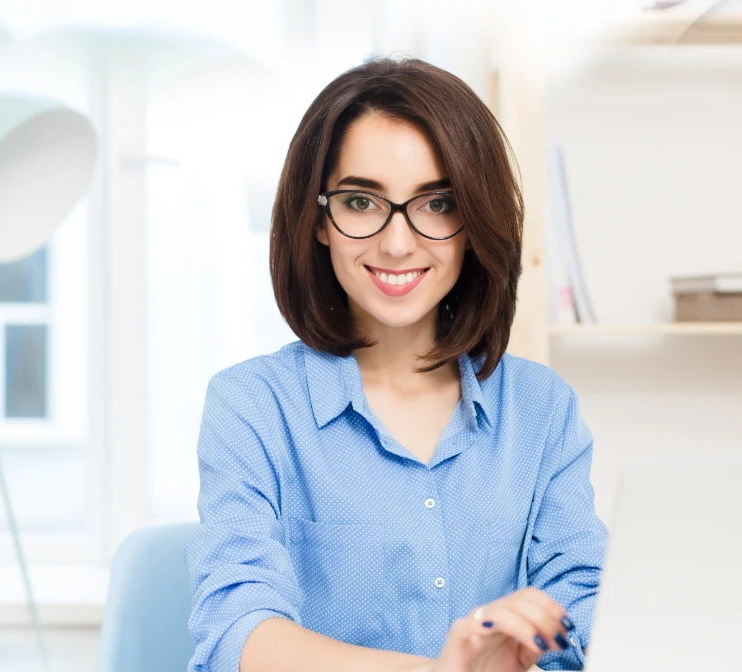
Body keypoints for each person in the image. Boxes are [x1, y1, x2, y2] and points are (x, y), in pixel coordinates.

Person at [184, 55, 608, 672]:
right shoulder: (251, 406)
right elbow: (237, 633)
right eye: (361, 202)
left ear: (473, 222)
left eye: (436, 204)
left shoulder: (542, 410)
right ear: (319, 219)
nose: (397, 243)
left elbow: (587, 609)